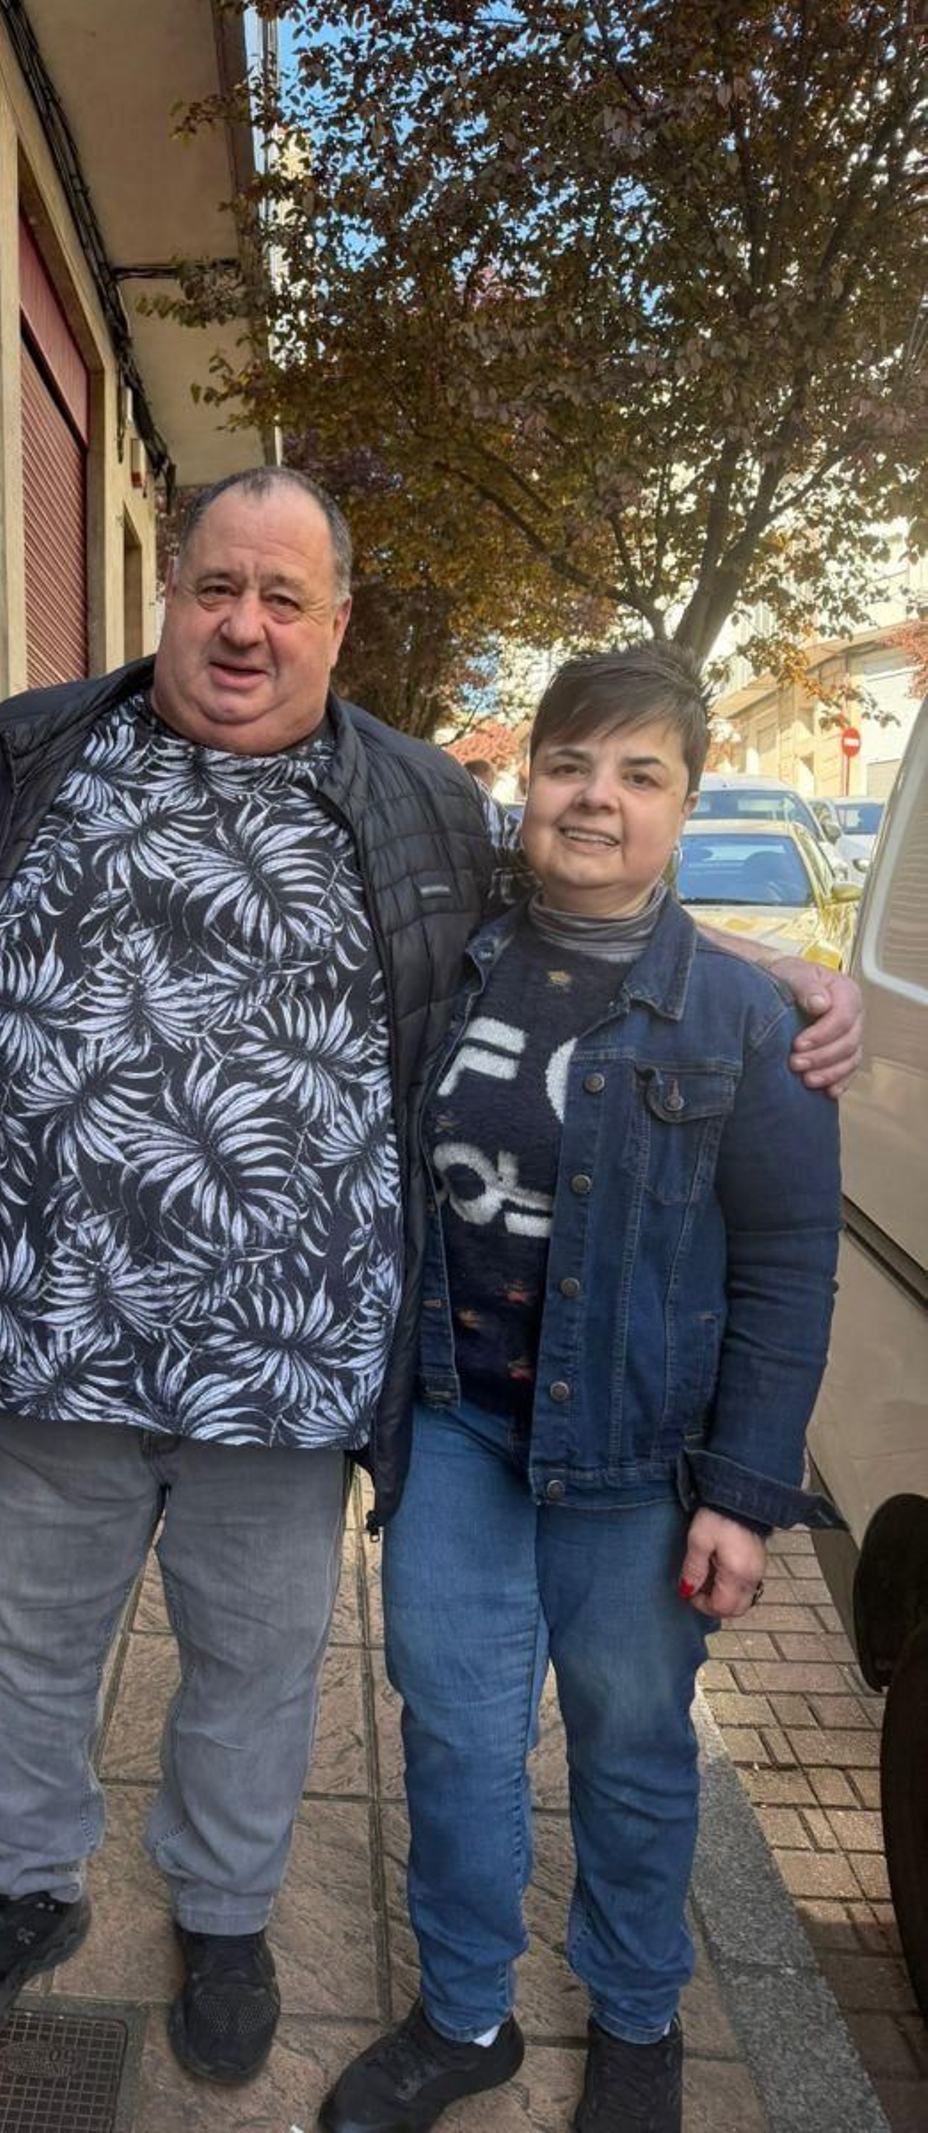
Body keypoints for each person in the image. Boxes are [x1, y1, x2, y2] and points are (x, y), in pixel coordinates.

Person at [0, 471, 861, 2091]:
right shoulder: (18, 753)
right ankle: (16, 1895)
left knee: (253, 1665)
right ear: (169, 598)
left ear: (335, 623)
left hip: (288, 1370)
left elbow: (593, 878)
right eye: (217, 586)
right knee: (25, 1652)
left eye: (285, 600)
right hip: (44, 1342)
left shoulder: (425, 800)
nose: (244, 624)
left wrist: (762, 967)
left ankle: (225, 1913)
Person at [319, 645, 842, 2133]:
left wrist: (745, 1491)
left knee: (631, 1739)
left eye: (640, 775)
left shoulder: (747, 1024)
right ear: (524, 783)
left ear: (683, 805)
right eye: (570, 765)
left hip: (640, 1459)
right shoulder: (457, 957)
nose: (596, 799)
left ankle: (637, 2016)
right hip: (457, 1427)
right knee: (462, 1733)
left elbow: (791, 1266)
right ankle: (468, 2011)